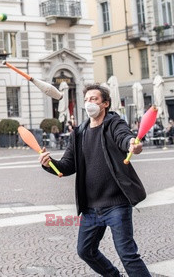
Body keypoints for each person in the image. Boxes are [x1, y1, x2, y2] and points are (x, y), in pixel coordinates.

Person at [38, 84, 150, 276]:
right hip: (90, 208)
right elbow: (67, 165)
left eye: (95, 99)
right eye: (87, 99)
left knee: (127, 254)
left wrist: (132, 144)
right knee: (85, 251)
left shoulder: (114, 123)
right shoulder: (79, 133)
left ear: (105, 103)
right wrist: (49, 164)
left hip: (116, 204)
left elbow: (124, 138)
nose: (90, 103)